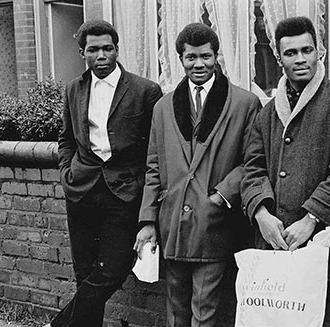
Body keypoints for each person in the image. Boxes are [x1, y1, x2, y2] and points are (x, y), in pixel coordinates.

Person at [134, 23, 261, 327]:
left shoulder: (245, 104)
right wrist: (148, 220)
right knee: (176, 310)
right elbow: (153, 165)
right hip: (173, 224)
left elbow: (253, 161)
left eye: (205, 56)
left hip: (213, 225)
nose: (198, 64)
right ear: (180, 59)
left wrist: (221, 196)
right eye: (191, 57)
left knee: (206, 311)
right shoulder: (163, 107)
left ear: (216, 57)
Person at [241, 16, 330, 282]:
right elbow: (253, 168)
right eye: (290, 53)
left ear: (318, 52)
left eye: (306, 50)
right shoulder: (266, 115)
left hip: (329, 248)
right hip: (276, 248)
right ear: (279, 59)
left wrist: (312, 219)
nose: (300, 59)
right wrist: (261, 214)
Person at [51, 20, 162, 327]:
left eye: (107, 48)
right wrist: (66, 172)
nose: (101, 55)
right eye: (93, 49)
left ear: (116, 50)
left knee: (112, 270)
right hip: (82, 189)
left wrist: (141, 187)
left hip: (124, 193)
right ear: (82, 52)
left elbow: (154, 149)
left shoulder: (144, 91)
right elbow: (66, 139)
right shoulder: (74, 89)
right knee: (84, 275)